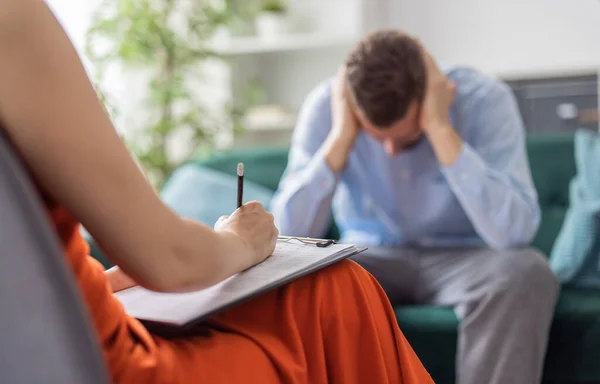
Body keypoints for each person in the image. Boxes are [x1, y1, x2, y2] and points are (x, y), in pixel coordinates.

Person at [0, 2, 434, 384]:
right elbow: (172, 261)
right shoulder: (14, 20)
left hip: (40, 345)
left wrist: (115, 280)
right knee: (334, 288)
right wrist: (239, 240)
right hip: (103, 364)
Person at [271, 29, 561, 384]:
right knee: (301, 279)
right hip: (368, 258)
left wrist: (440, 129)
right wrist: (340, 139)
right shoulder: (326, 107)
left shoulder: (485, 100)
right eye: (377, 137)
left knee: (527, 270)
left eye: (405, 137)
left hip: (467, 259)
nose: (390, 151)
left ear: (430, 94)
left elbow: (513, 234)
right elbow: (286, 234)